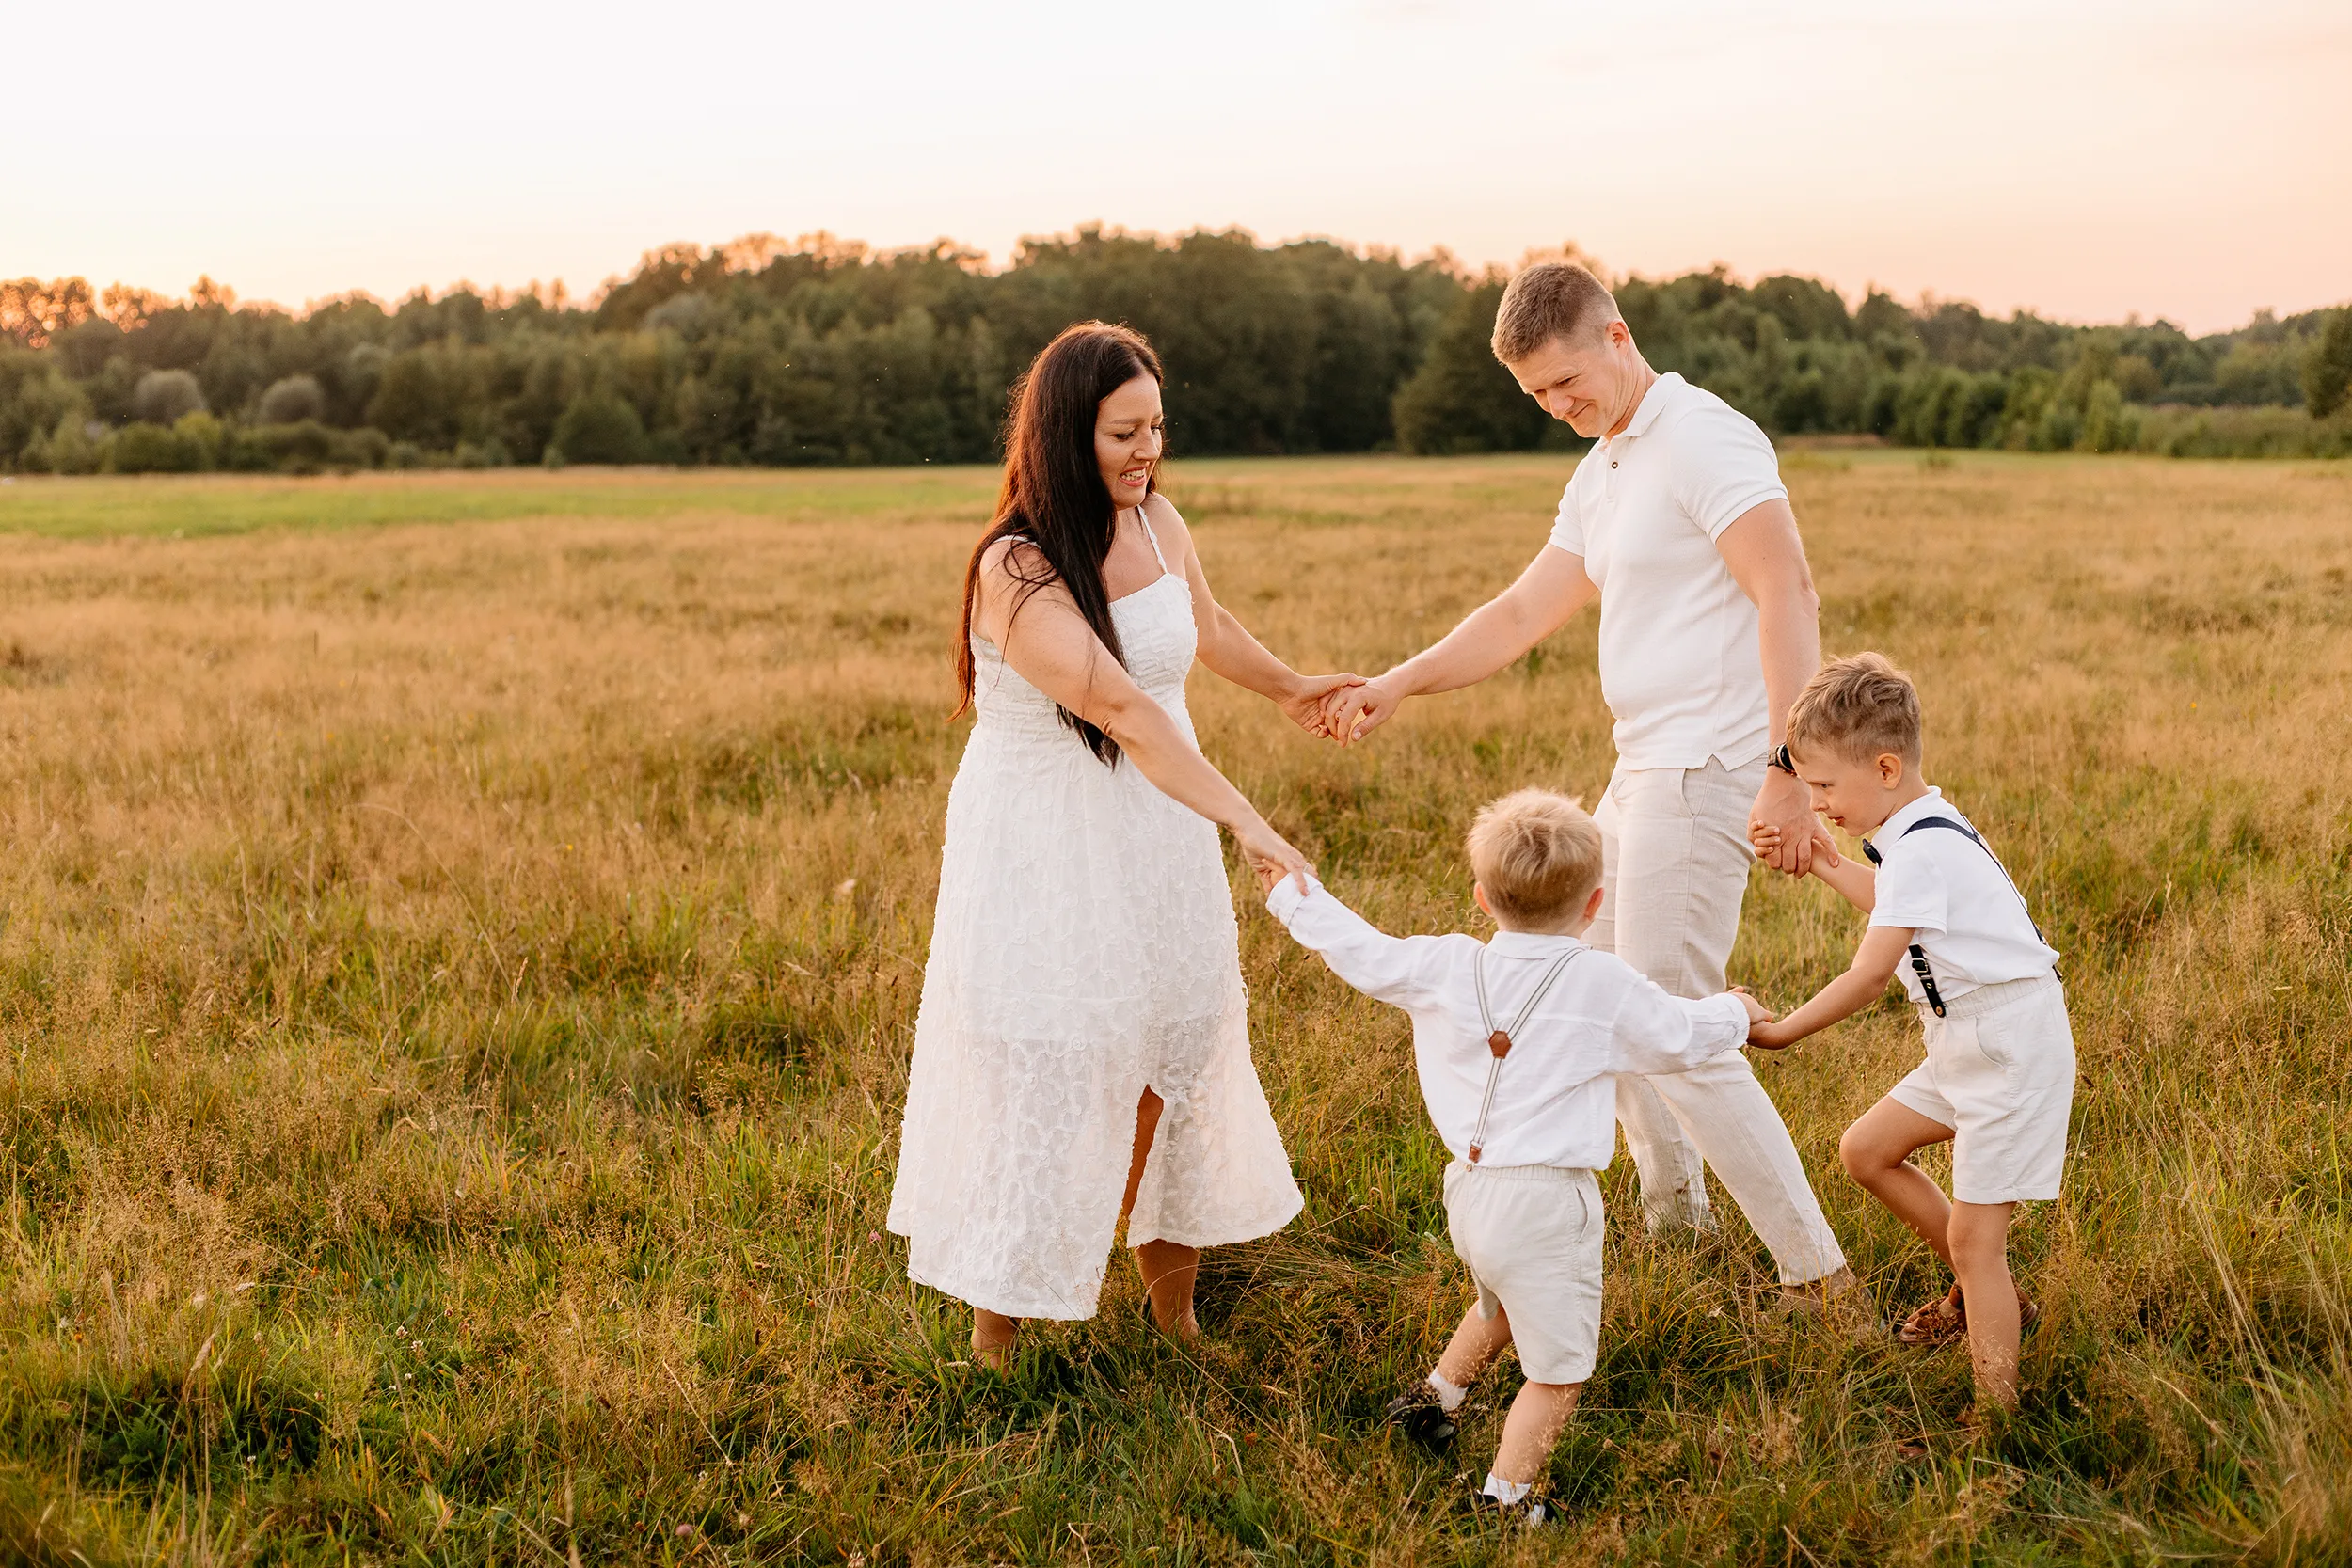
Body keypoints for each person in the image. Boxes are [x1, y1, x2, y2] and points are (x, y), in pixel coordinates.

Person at [1320, 261, 1855, 1307]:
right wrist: (1397, 682)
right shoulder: (1605, 465)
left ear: (1618, 336)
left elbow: (1786, 589)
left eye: (1567, 383)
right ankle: (1676, 1221)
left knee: (1678, 1025)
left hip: (1707, 765)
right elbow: (1522, 612)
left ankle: (1818, 1276)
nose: (1558, 407)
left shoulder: (1703, 437)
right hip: (1641, 765)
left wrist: (1788, 769)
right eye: (1538, 398)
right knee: (1593, 994)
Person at [886, 322, 1360, 1371]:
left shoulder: (1154, 518)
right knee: (1053, 1059)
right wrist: (1247, 819)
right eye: (1122, 433)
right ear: (1065, 431)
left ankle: (1175, 1318)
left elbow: (1201, 622)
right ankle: (995, 1344)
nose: (1147, 450)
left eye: (1156, 427)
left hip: (1156, 824)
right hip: (1048, 839)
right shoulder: (1015, 566)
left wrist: (1289, 688)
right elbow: (1120, 705)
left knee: (1177, 1048)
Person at [1258, 790, 1768, 1523]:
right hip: (1548, 1203)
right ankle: (1507, 1496)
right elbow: (1677, 1033)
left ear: (1481, 897)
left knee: (1500, 1299)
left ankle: (1433, 1400)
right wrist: (1737, 1012)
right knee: (1558, 1370)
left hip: (1468, 1194)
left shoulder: (1445, 963)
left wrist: (1290, 895)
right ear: (1595, 904)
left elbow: (1361, 949)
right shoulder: (1601, 980)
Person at [1747, 653, 2074, 1411]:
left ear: (1885, 767)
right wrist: (1828, 865)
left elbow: (1868, 975)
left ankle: (1994, 1416)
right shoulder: (1917, 828)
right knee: (1866, 1150)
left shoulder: (1921, 845)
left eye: (1824, 785)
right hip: (1967, 1039)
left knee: (1975, 1240)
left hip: (2007, 1048)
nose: (1817, 801)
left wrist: (1782, 1032)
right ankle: (1990, 1299)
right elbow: (1897, 901)